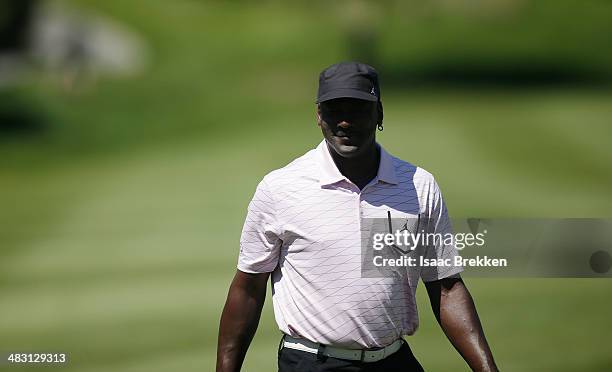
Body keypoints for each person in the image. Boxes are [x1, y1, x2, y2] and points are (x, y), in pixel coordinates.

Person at [216, 61, 498, 372]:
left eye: (359, 109)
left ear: (379, 113)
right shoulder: (281, 188)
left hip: (394, 361)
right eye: (335, 109)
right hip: (313, 363)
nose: (346, 121)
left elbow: (446, 287)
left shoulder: (417, 185)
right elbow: (248, 289)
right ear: (319, 115)